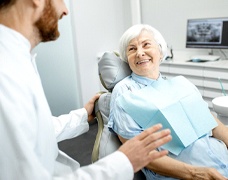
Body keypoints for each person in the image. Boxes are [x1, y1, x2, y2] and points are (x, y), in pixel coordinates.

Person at [0, 1, 172, 180]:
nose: (65, 10)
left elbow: (33, 130)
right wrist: (123, 162)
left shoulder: (18, 59)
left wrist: (81, 116)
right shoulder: (6, 73)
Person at [108, 24, 228, 180]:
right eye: (132, 49)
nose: (140, 53)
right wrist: (196, 174)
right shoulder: (125, 92)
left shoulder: (180, 84)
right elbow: (139, 152)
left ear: (160, 50)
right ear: (127, 58)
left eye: (146, 45)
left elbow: (210, 120)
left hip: (220, 158)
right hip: (190, 174)